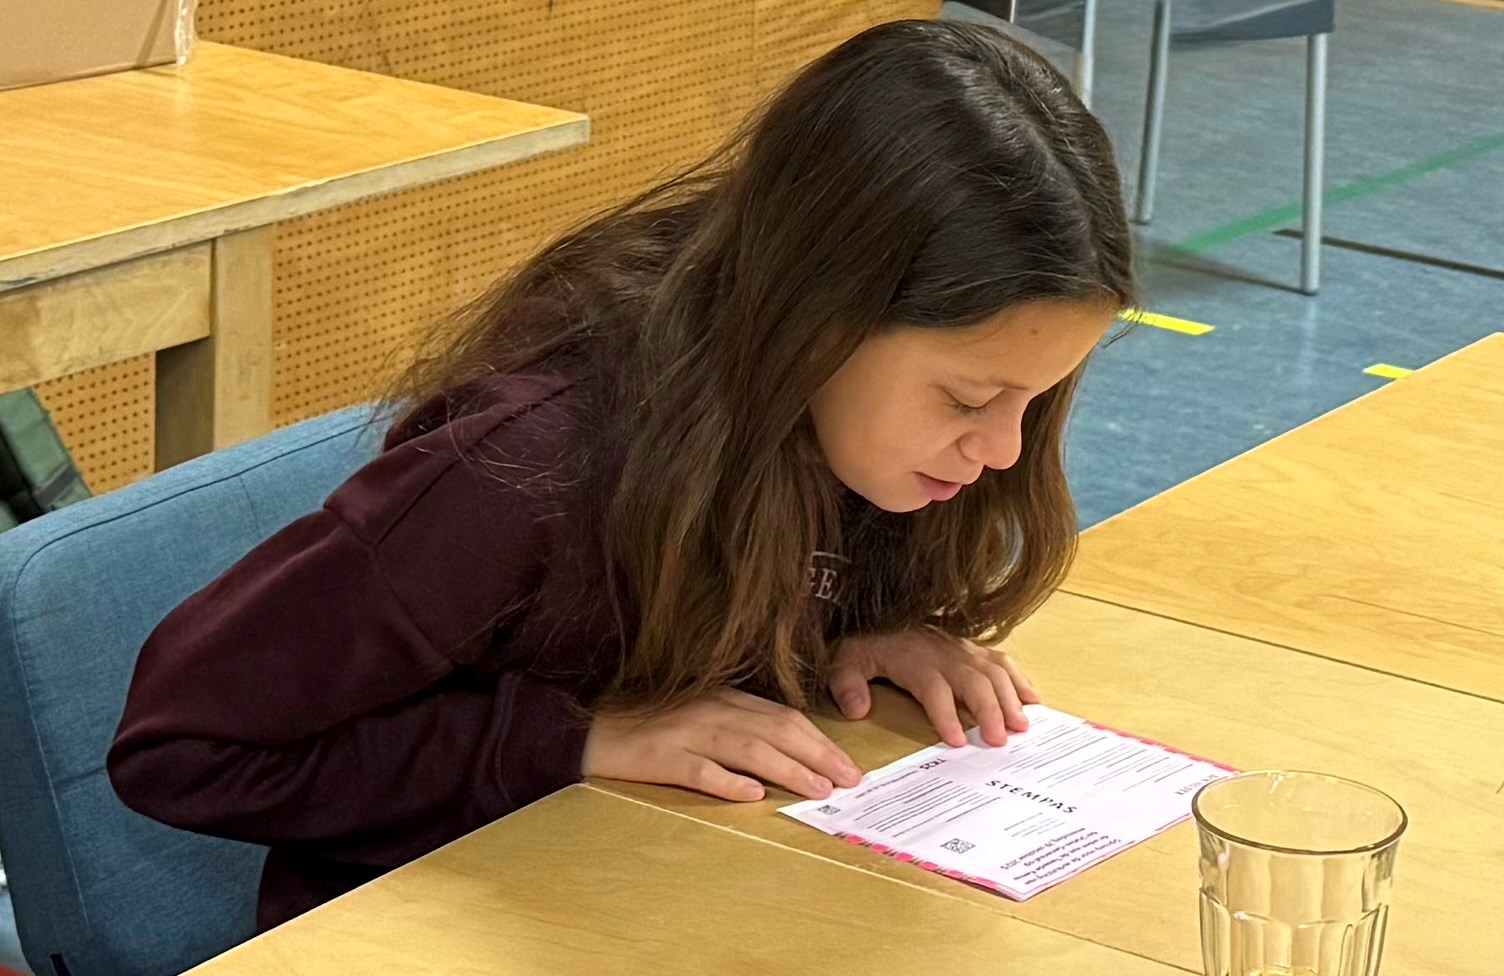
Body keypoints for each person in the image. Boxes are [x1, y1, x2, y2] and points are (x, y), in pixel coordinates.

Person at [108, 18, 1136, 931]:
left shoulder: (846, 439)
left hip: (661, 896)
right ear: (817, 316)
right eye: (967, 399)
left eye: (1037, 399)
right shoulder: (526, 470)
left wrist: (848, 635)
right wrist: (568, 741)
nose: (1006, 450)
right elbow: (181, 746)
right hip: (428, 927)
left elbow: (733, 614)